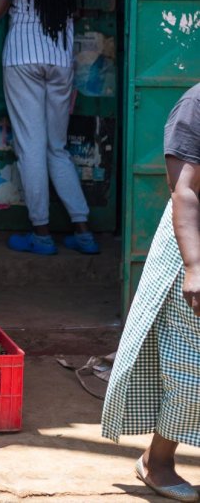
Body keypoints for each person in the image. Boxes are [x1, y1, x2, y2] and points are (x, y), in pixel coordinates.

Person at [102, 83, 200, 503]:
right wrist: (195, 268)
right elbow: (185, 191)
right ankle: (157, 462)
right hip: (191, 248)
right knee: (189, 371)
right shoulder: (195, 105)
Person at [0, 0, 100, 256]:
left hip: (23, 59)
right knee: (56, 147)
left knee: (30, 148)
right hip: (61, 59)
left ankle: (41, 235)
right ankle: (83, 231)